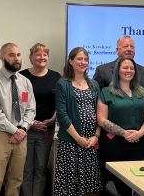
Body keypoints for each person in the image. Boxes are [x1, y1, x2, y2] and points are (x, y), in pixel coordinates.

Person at [0, 43, 36, 196]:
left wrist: (23, 129)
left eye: (18, 55)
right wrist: (15, 131)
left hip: (21, 136)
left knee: (16, 181)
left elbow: (31, 109)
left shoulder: (25, 82)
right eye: (11, 55)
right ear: (2, 57)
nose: (16, 58)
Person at [96, 57, 144, 195]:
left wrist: (139, 133)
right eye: (125, 68)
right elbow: (101, 120)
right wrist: (124, 133)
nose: (129, 71)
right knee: (114, 183)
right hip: (113, 143)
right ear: (118, 70)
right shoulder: (106, 91)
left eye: (131, 68)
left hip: (140, 143)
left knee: (138, 182)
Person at [54, 47, 103, 195]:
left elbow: (100, 113)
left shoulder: (94, 84)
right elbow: (62, 115)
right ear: (70, 61)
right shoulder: (63, 84)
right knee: (69, 188)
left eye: (86, 59)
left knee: (89, 189)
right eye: (79, 59)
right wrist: (78, 138)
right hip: (71, 142)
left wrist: (96, 136)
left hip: (90, 143)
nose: (83, 62)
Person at [20, 43, 61, 196]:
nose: (42, 57)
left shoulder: (56, 77)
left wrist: (52, 120)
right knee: (26, 168)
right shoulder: (21, 77)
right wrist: (30, 123)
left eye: (45, 55)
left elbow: (60, 103)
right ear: (31, 57)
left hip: (46, 130)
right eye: (38, 54)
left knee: (41, 169)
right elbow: (17, 104)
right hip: (26, 130)